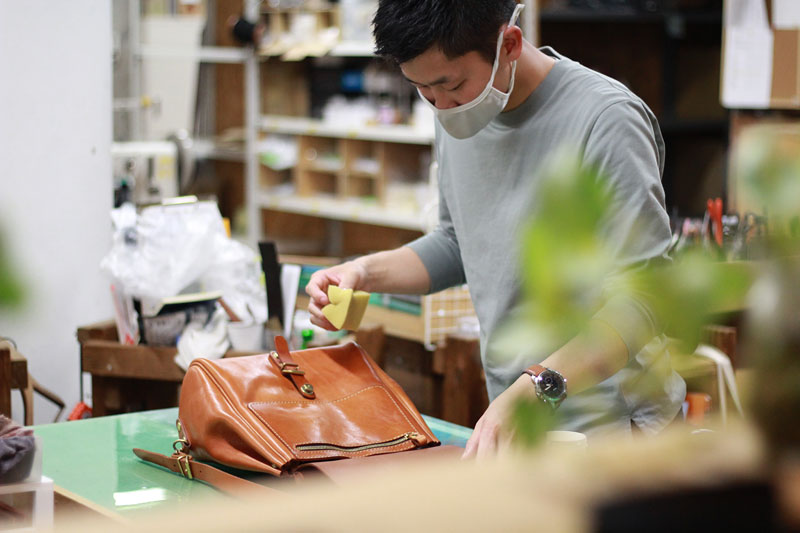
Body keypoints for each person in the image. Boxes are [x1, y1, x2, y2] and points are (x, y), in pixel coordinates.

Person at [305, 0, 685, 458]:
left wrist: (534, 386)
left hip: (613, 430)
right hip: (519, 420)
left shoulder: (606, 120)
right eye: (424, 91)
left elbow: (645, 300)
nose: (442, 106)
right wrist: (364, 273)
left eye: (451, 85)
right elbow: (456, 241)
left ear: (509, 44)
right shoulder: (459, 112)